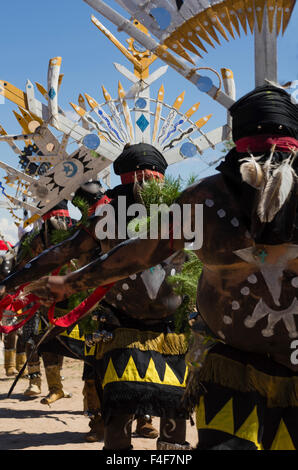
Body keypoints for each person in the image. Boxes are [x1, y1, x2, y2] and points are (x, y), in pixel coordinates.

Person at [23, 85, 298, 450]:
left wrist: (71, 281)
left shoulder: (205, 199)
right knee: (129, 415)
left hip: (204, 344)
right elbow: (139, 252)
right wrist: (70, 281)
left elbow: (141, 251)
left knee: (173, 423)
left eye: (152, 172)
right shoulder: (206, 200)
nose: (146, 179)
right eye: (141, 172)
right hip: (230, 370)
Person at [0, 144, 193, 450]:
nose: (148, 187)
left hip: (171, 332)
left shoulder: (180, 215)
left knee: (174, 420)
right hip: (119, 327)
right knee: (119, 419)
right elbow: (61, 252)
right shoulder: (110, 217)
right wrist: (11, 283)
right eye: (143, 182)